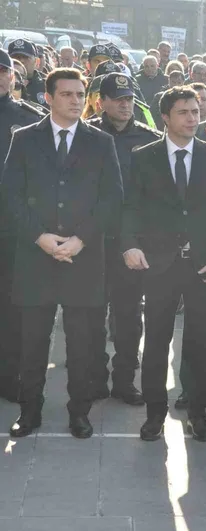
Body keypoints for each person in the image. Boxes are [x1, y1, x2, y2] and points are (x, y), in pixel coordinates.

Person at [3, 68, 123, 438]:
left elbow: (112, 198)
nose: (75, 100)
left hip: (83, 259)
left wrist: (80, 240)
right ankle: (30, 411)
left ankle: (79, 412)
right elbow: (11, 196)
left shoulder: (100, 142)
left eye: (79, 94)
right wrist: (39, 236)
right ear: (49, 97)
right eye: (67, 94)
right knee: (32, 342)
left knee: (83, 342)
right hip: (34, 257)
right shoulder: (24, 139)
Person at [121, 86, 206, 443]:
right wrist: (129, 245)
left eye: (196, 112)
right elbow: (130, 207)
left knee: (201, 342)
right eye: (183, 112)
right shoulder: (144, 156)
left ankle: (198, 412)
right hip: (159, 264)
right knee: (156, 340)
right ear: (165, 117)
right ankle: (155, 413)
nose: (191, 119)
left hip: (203, 266)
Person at [85, 73, 161, 406]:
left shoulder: (148, 139)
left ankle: (125, 379)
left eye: (129, 98)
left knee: (129, 316)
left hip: (132, 241)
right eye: (118, 99)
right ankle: (95, 377)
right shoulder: (85, 134)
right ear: (101, 102)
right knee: (90, 314)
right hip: (92, 240)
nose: (125, 104)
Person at [0, 49, 48, 403]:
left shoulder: (29, 119)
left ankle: (8, 377)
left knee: (11, 309)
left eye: (3, 71)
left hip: (11, 229)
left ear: (14, 77)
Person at [7, 39, 47, 108]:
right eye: (16, 57)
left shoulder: (47, 85)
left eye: (26, 57)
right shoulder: (3, 84)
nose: (21, 60)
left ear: (36, 62)